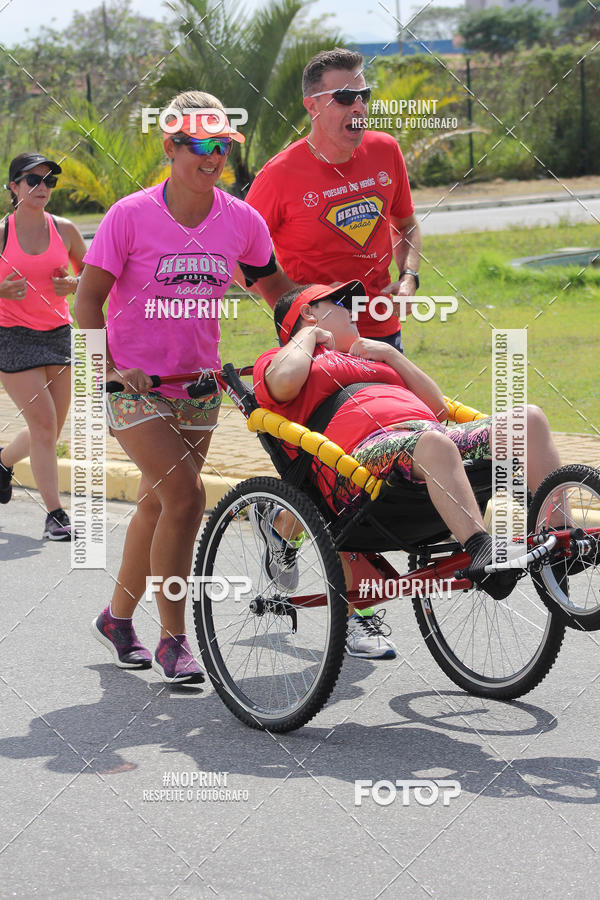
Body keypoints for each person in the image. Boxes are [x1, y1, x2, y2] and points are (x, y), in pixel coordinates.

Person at [75, 91, 287, 684]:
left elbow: (278, 292)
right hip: (132, 387)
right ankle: (174, 639)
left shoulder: (241, 220)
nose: (214, 156)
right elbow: (87, 302)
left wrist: (312, 329)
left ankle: (117, 618)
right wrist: (111, 366)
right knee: (187, 499)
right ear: (170, 147)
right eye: (199, 144)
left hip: (198, 388)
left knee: (157, 502)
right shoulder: (130, 215)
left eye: (222, 145)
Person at [251, 282, 567, 641]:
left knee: (529, 420)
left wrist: (391, 355)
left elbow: (437, 410)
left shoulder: (371, 357)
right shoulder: (283, 360)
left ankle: (560, 541)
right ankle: (480, 547)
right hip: (360, 460)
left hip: (427, 440)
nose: (352, 310)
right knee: (433, 444)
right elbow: (284, 383)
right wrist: (309, 337)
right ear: (308, 312)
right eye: (338, 302)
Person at [244, 47, 423, 654]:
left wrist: (410, 277)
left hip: (381, 329)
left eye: (364, 94)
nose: (359, 107)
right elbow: (243, 244)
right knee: (342, 465)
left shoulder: (385, 153)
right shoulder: (280, 173)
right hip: (313, 334)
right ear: (312, 105)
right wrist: (289, 307)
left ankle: (281, 521)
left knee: (381, 456)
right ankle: (365, 608)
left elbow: (407, 225)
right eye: (345, 97)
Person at [0, 153, 87, 538]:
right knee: (44, 422)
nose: (42, 188)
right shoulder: (1, 232)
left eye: (49, 181)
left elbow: (94, 278)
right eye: (33, 180)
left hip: (59, 335)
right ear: (13, 187)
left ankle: (2, 463)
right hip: (12, 336)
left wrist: (74, 285)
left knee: (48, 432)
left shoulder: (65, 230)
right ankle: (55, 514)